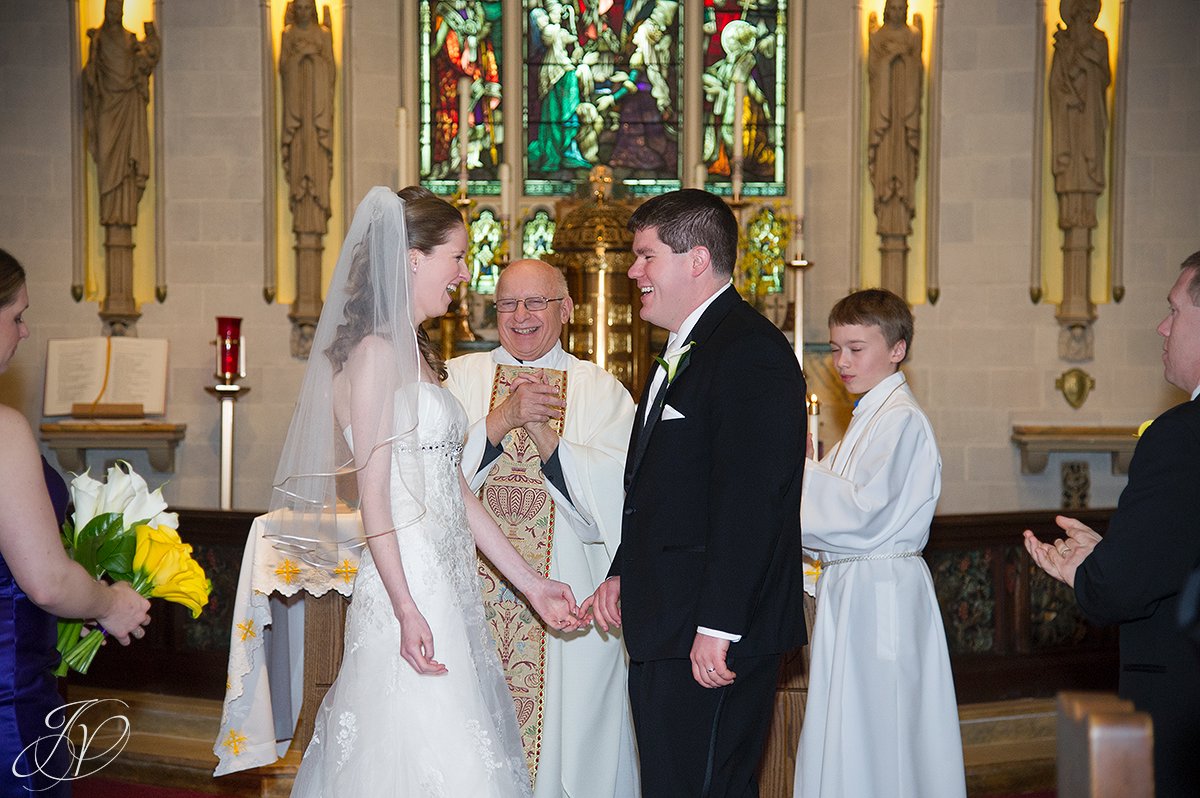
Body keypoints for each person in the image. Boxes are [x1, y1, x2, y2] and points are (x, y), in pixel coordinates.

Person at [282, 187, 582, 798]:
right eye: (456, 256)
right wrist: (404, 606)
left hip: (446, 580)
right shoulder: (372, 355)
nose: (464, 273)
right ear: (413, 258)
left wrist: (532, 584)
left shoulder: (417, 353)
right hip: (409, 582)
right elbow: (374, 497)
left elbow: (452, 491)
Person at [582, 188, 807, 796]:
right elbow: (663, 489)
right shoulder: (688, 347)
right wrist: (624, 571)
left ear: (696, 260)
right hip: (670, 617)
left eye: (646, 256)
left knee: (707, 787)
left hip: (708, 629)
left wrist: (721, 626)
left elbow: (752, 502)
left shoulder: (750, 352)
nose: (633, 271)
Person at [444, 259, 639, 798]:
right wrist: (499, 421)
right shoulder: (458, 379)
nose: (521, 316)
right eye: (508, 303)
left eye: (537, 303)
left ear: (567, 310)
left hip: (569, 610)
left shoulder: (603, 393)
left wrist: (545, 437)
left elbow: (621, 504)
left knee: (570, 752)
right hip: (470, 603)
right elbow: (426, 485)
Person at [1024, 252, 1200, 798]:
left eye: (1174, 310)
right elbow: (1179, 554)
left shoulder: (1180, 435)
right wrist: (1112, 553)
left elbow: (1118, 591)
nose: (1162, 326)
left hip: (1183, 706)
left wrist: (1092, 572)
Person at [792, 289, 965, 798]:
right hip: (856, 587)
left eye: (855, 348)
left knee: (881, 726)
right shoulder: (869, 417)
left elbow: (862, 514)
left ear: (897, 349)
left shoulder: (901, 420)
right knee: (851, 724)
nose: (841, 362)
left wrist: (791, 472)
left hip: (880, 591)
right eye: (836, 348)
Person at [0, 249, 151, 795]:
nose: (25, 330)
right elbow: (45, 580)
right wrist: (110, 603)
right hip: (8, 705)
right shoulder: (3, 430)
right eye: (15, 316)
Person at [82, 0, 160, 227]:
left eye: (118, 8)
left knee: (127, 165)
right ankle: (110, 211)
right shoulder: (97, 39)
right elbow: (92, 73)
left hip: (127, 105)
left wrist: (151, 34)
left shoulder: (130, 40)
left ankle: (122, 212)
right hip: (107, 105)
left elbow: (147, 60)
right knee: (108, 159)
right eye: (111, 8)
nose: (114, 12)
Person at [1049, 0, 1109, 231]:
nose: (1083, 17)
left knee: (1088, 155)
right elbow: (1057, 82)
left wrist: (1088, 62)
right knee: (1072, 166)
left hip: (1089, 117)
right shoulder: (1064, 47)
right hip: (1070, 118)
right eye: (1078, 12)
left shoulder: (1099, 42)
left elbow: (1104, 76)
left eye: (1087, 12)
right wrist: (1066, 96)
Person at [867, 0, 923, 239]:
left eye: (902, 8)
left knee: (902, 160)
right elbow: (874, 72)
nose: (898, 13)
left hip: (903, 114)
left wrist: (906, 59)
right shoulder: (877, 38)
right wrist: (889, 60)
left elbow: (917, 72)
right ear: (886, 10)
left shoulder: (913, 37)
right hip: (885, 117)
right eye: (894, 8)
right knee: (886, 161)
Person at [279, 0, 335, 237]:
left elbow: (330, 70)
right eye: (299, 7)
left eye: (306, 7)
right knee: (301, 158)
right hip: (298, 113)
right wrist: (298, 58)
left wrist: (315, 58)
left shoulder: (323, 35)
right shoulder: (288, 35)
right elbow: (283, 68)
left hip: (317, 113)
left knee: (317, 161)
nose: (303, 12)